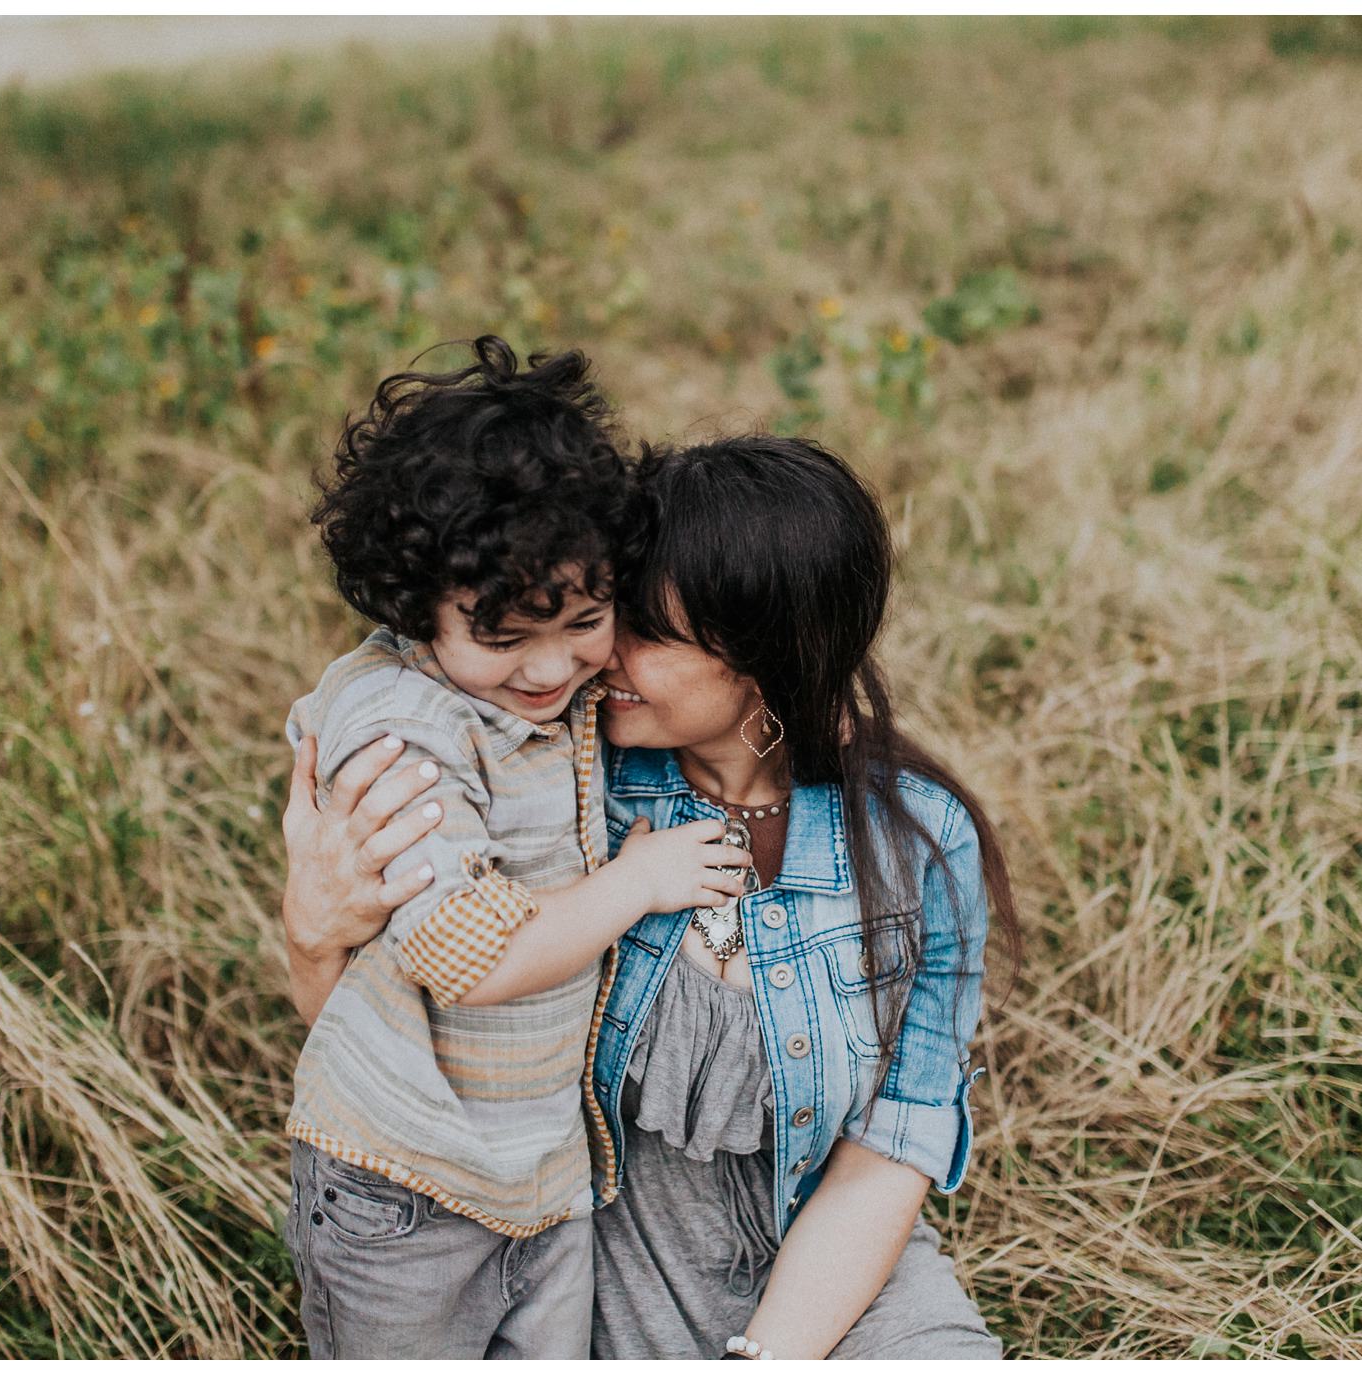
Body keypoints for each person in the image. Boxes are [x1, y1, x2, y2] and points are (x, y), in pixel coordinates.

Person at [282, 434, 1018, 1358]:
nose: (595, 654)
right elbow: (392, 1048)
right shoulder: (559, 784)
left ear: (767, 656)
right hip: (603, 1267)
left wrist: (774, 1351)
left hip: (839, 1264)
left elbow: (891, 1146)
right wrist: (311, 936)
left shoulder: (919, 843)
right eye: (610, 608)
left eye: (647, 631)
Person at [280, 337, 751, 1359]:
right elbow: (468, 956)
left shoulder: (545, 694)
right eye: (500, 639)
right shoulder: (406, 736)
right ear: (414, 609)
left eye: (585, 620)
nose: (550, 666)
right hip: (404, 1186)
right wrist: (638, 880)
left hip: (538, 1167)